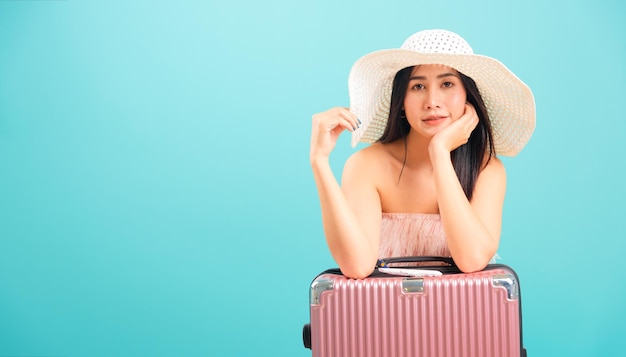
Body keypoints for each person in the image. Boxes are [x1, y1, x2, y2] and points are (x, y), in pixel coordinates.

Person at [309, 29, 535, 279]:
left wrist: (440, 153)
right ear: (402, 100)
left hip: (462, 317)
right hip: (383, 315)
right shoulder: (367, 165)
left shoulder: (487, 169)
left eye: (447, 84)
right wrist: (319, 162)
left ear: (467, 96)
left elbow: (471, 259)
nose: (432, 101)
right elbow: (357, 266)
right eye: (418, 86)